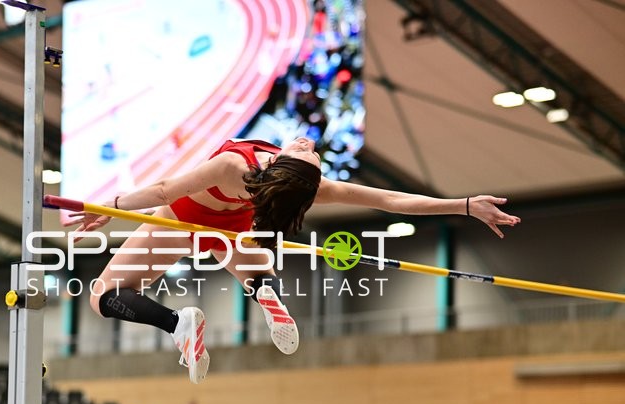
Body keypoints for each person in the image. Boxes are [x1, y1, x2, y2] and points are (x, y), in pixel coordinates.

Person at [66, 137, 520, 384]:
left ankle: (177, 324)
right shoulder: (314, 188)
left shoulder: (236, 165)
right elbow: (391, 200)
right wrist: (461, 204)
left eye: (307, 152)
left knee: (103, 294)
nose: (308, 143)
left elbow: (166, 191)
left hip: (179, 222)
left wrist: (106, 208)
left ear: (279, 165)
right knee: (249, 253)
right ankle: (264, 289)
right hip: (235, 236)